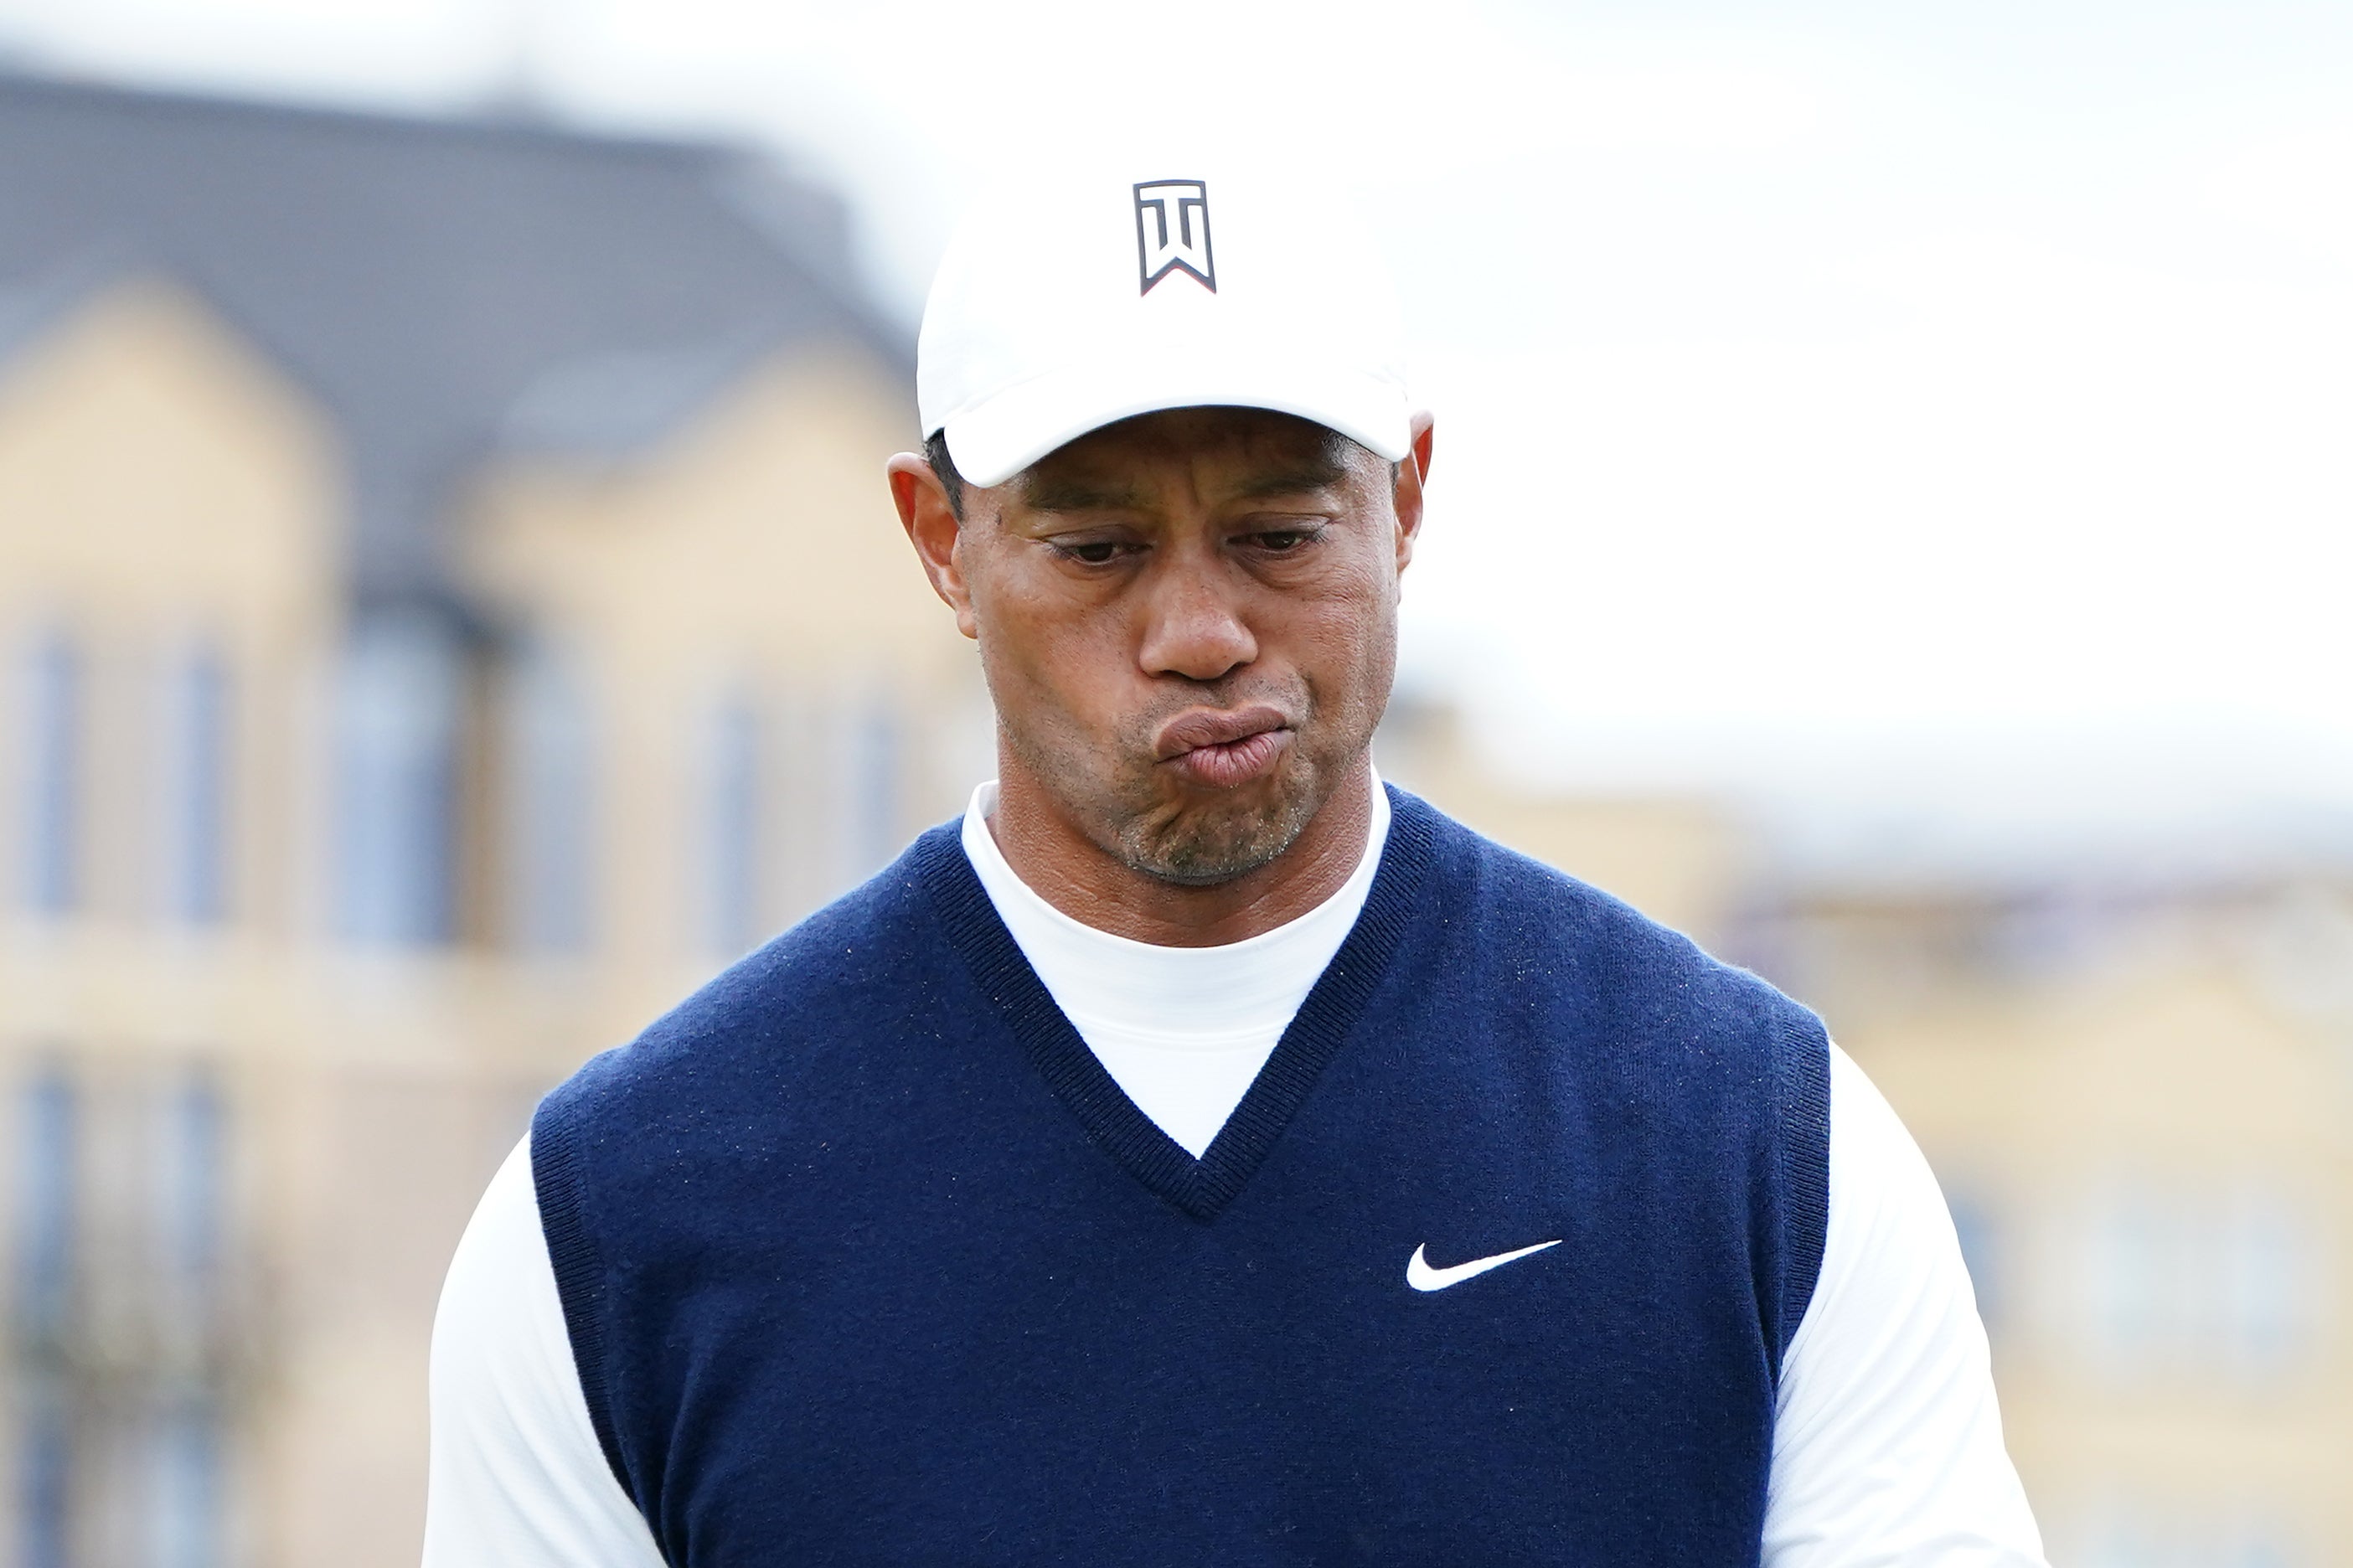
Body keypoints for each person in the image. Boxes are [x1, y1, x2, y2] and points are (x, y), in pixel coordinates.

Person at [422, 160, 2047, 1565]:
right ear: (940, 539)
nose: (1200, 633)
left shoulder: (1749, 1143)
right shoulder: (626, 1211)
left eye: (1279, 535)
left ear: (1405, 499)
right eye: (1097, 547)